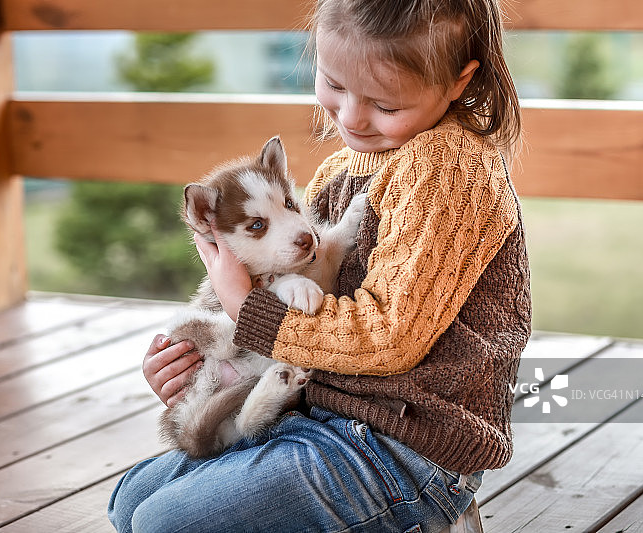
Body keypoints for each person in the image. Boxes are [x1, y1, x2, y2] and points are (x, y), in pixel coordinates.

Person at [109, 0, 530, 531]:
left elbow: (389, 337)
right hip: (317, 412)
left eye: (384, 104)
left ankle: (425, 518)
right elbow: (303, 292)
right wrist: (203, 372)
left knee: (164, 523)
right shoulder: (342, 168)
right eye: (333, 83)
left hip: (404, 447)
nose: (351, 117)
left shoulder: (451, 169)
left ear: (456, 81)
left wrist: (246, 309)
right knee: (129, 503)